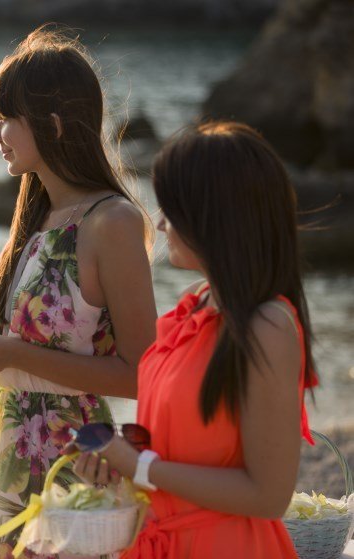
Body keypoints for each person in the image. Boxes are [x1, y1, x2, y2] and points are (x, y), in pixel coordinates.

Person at [0, 25, 157, 559]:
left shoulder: (112, 221)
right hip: (11, 460)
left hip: (74, 467)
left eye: (6, 119)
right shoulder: (39, 217)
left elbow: (143, 374)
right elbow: (31, 359)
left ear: (52, 124)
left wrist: (6, 352)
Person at [73, 121, 318, 558]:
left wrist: (141, 466)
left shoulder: (267, 326)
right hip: (158, 541)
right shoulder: (195, 308)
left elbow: (268, 495)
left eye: (174, 209)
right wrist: (120, 454)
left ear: (216, 215)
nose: (162, 223)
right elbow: (183, 444)